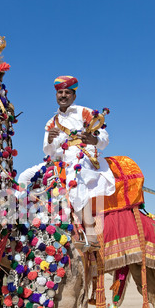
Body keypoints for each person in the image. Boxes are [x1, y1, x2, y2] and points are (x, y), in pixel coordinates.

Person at [18, 75, 115, 249]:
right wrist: (49, 140)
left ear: (74, 95)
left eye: (67, 92)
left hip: (82, 157)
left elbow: (104, 137)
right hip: (58, 161)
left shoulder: (85, 113)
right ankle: (20, 221)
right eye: (60, 92)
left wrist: (93, 140)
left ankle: (90, 233)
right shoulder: (51, 122)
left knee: (75, 180)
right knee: (25, 176)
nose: (63, 95)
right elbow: (47, 150)